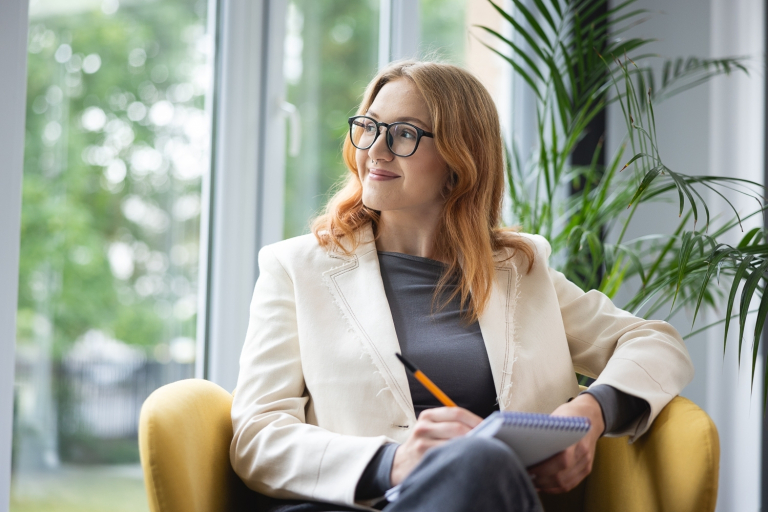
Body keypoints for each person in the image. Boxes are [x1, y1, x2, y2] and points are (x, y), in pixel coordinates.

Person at [230, 60, 694, 512]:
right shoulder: (296, 269)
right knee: (482, 459)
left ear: (460, 158)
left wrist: (591, 414)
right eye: (369, 127)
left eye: (405, 133)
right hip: (353, 504)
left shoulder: (520, 270)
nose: (376, 149)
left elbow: (655, 343)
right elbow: (257, 435)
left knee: (482, 462)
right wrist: (393, 463)